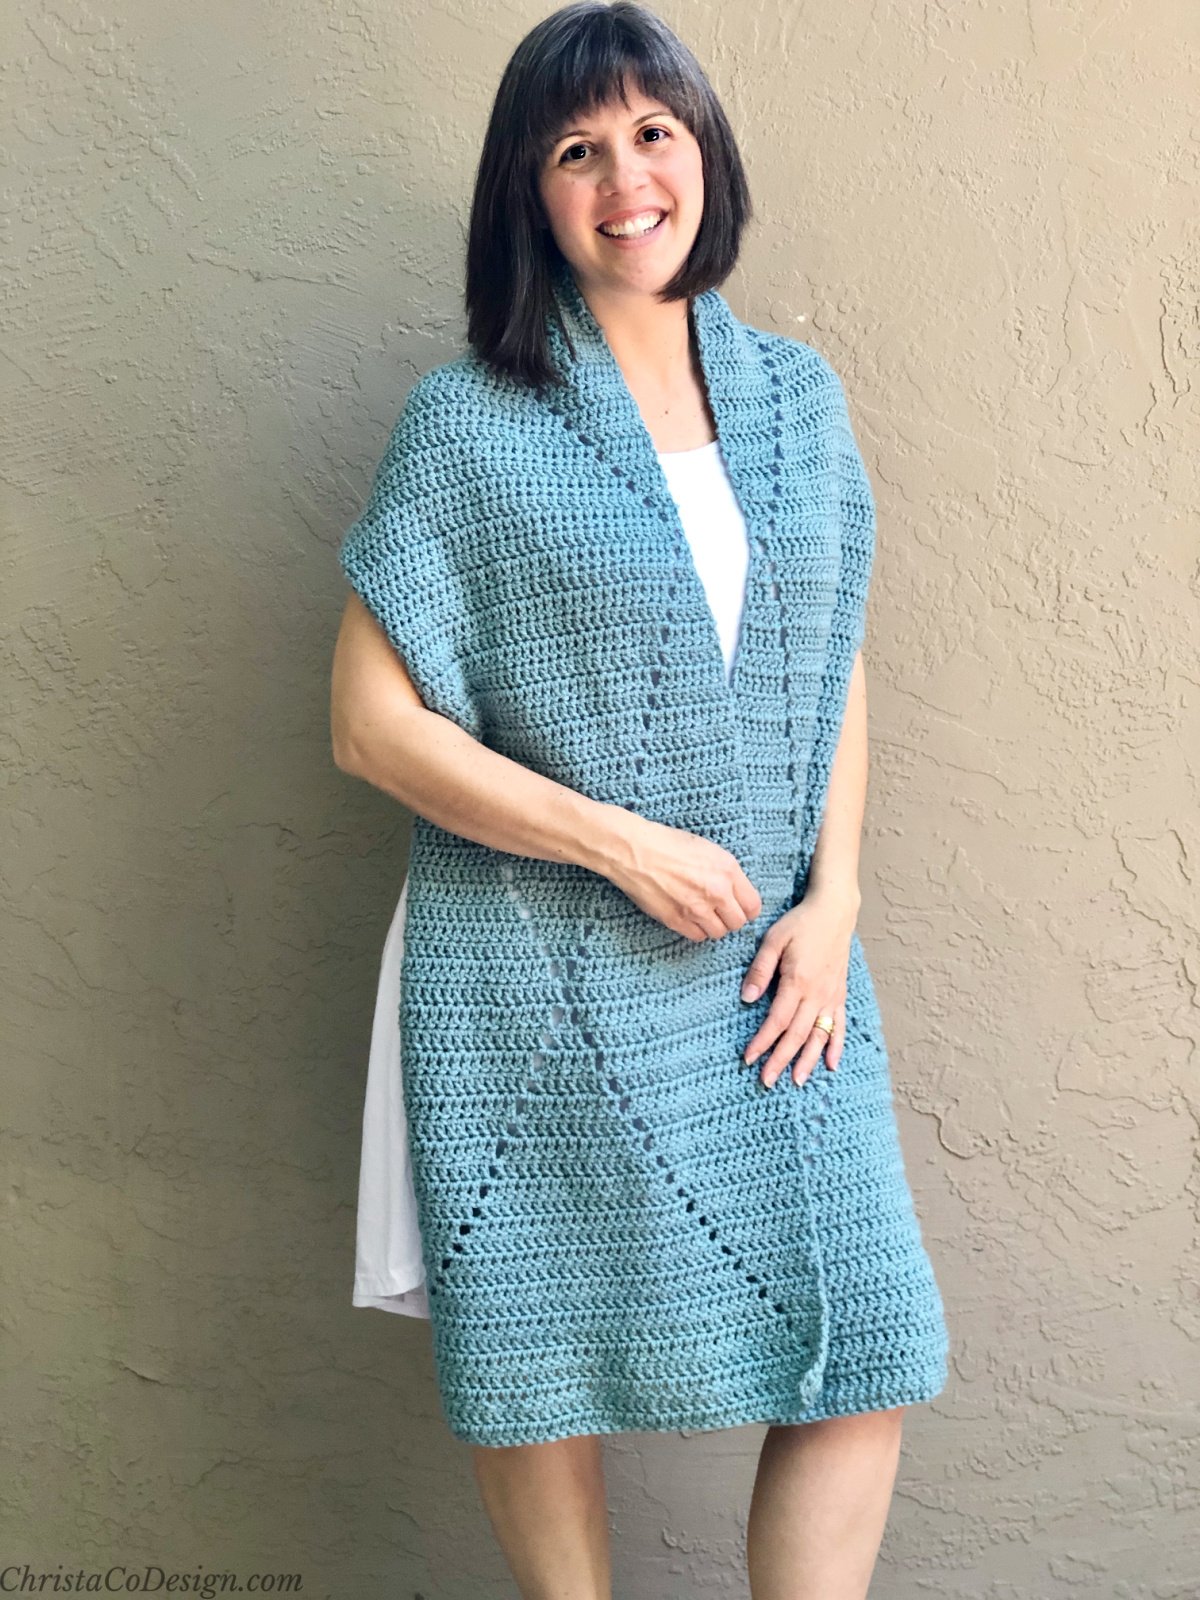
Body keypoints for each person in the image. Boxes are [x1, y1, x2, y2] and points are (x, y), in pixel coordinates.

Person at [329, 4, 950, 1596]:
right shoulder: (467, 425)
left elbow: (836, 663)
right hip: (527, 955)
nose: (625, 177)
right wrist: (615, 841)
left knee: (866, 1339)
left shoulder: (800, 403)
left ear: (704, 154)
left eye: (653, 132)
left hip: (772, 961)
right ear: (528, 196)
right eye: (575, 148)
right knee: (541, 1345)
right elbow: (368, 728)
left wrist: (838, 903)